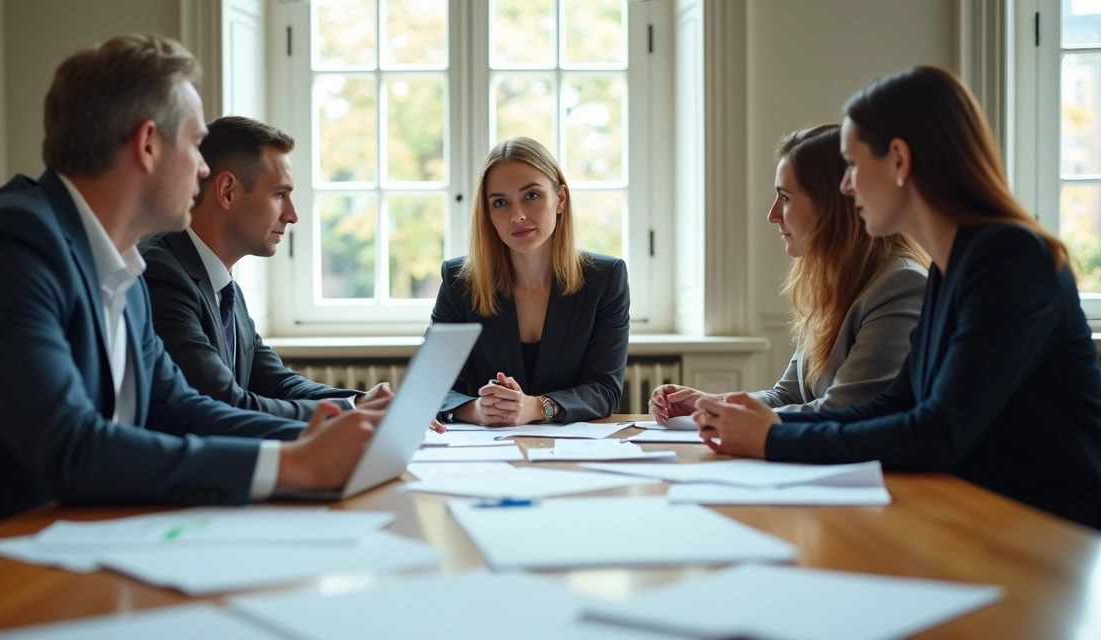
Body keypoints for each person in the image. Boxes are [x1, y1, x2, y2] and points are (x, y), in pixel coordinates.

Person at [0, 34, 378, 557]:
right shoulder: (9, 245)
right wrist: (295, 464)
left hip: (63, 543)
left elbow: (179, 408)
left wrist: (321, 428)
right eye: (194, 144)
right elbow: (72, 447)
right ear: (147, 144)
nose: (205, 168)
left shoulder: (125, 266)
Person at [690, 66, 1101, 529]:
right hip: (978, 517)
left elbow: (936, 432)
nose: (846, 187)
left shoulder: (1009, 259)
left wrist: (772, 440)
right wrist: (774, 426)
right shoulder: (955, 265)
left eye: (853, 165)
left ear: (900, 161)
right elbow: (895, 404)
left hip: (1050, 535)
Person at [140, 116, 436, 427]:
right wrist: (352, 415)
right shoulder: (162, 275)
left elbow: (276, 382)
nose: (292, 215)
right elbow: (222, 402)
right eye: (280, 194)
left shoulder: (225, 286)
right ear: (227, 191)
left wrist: (361, 401)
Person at [651, 124, 928, 422]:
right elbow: (788, 395)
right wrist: (710, 404)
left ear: (832, 205)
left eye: (785, 197)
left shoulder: (900, 284)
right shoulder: (832, 283)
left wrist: (732, 419)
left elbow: (847, 410)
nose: (772, 215)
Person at [431, 137, 630, 427]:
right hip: (484, 452)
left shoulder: (605, 278)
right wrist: (478, 410)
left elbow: (604, 389)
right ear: (487, 214)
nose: (517, 216)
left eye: (531, 196)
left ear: (560, 199)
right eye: (500, 203)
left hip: (572, 455)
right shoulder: (458, 281)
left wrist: (537, 407)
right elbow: (433, 388)